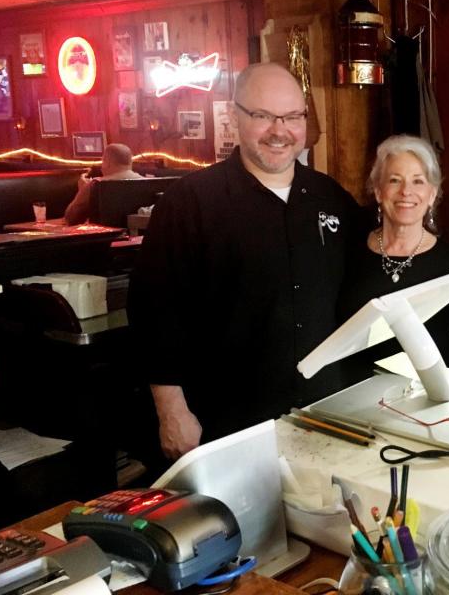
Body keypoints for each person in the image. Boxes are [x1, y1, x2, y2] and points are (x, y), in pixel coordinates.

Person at [128, 62, 359, 461]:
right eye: (262, 116)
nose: (279, 130)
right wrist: (171, 410)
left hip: (324, 412)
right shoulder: (191, 202)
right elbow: (154, 309)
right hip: (227, 420)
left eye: (291, 117)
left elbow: (363, 285)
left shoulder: (330, 197)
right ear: (235, 119)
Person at [337, 135, 449, 376]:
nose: (406, 191)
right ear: (378, 191)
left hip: (427, 405)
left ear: (432, 194)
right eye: (395, 180)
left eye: (418, 181)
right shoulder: (346, 253)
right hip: (348, 402)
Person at [63, 143, 144, 225]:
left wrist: (82, 190)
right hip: (139, 236)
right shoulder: (147, 182)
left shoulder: (95, 185)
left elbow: (71, 219)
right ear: (130, 161)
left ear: (107, 162)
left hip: (105, 236)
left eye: (102, 161)